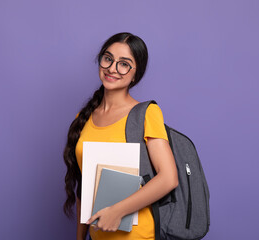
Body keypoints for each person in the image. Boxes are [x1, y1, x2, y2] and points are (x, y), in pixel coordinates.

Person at [63, 32, 178, 240]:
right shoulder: (84, 118)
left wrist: (118, 211)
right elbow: (85, 188)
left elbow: (169, 178)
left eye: (124, 64)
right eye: (108, 59)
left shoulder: (146, 113)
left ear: (135, 74)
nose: (112, 68)